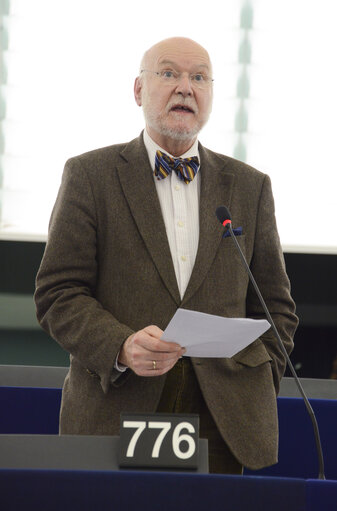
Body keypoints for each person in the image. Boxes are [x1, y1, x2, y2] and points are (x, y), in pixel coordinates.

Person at [34, 37, 298, 474]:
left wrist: (254, 380)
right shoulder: (89, 175)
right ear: (139, 90)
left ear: (210, 94)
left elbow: (277, 308)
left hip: (226, 420)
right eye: (169, 73)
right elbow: (58, 293)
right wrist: (120, 345)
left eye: (199, 77)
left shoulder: (250, 186)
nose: (185, 87)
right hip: (118, 405)